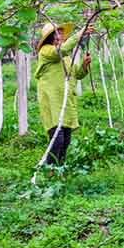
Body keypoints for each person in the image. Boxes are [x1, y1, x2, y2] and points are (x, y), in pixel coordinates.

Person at [34, 22, 93, 166]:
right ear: (49, 37)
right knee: (57, 137)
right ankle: (50, 168)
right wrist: (80, 34)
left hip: (65, 100)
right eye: (56, 33)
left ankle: (59, 169)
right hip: (52, 100)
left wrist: (84, 65)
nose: (59, 36)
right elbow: (62, 50)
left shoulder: (65, 56)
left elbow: (76, 74)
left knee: (66, 139)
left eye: (60, 33)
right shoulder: (46, 51)